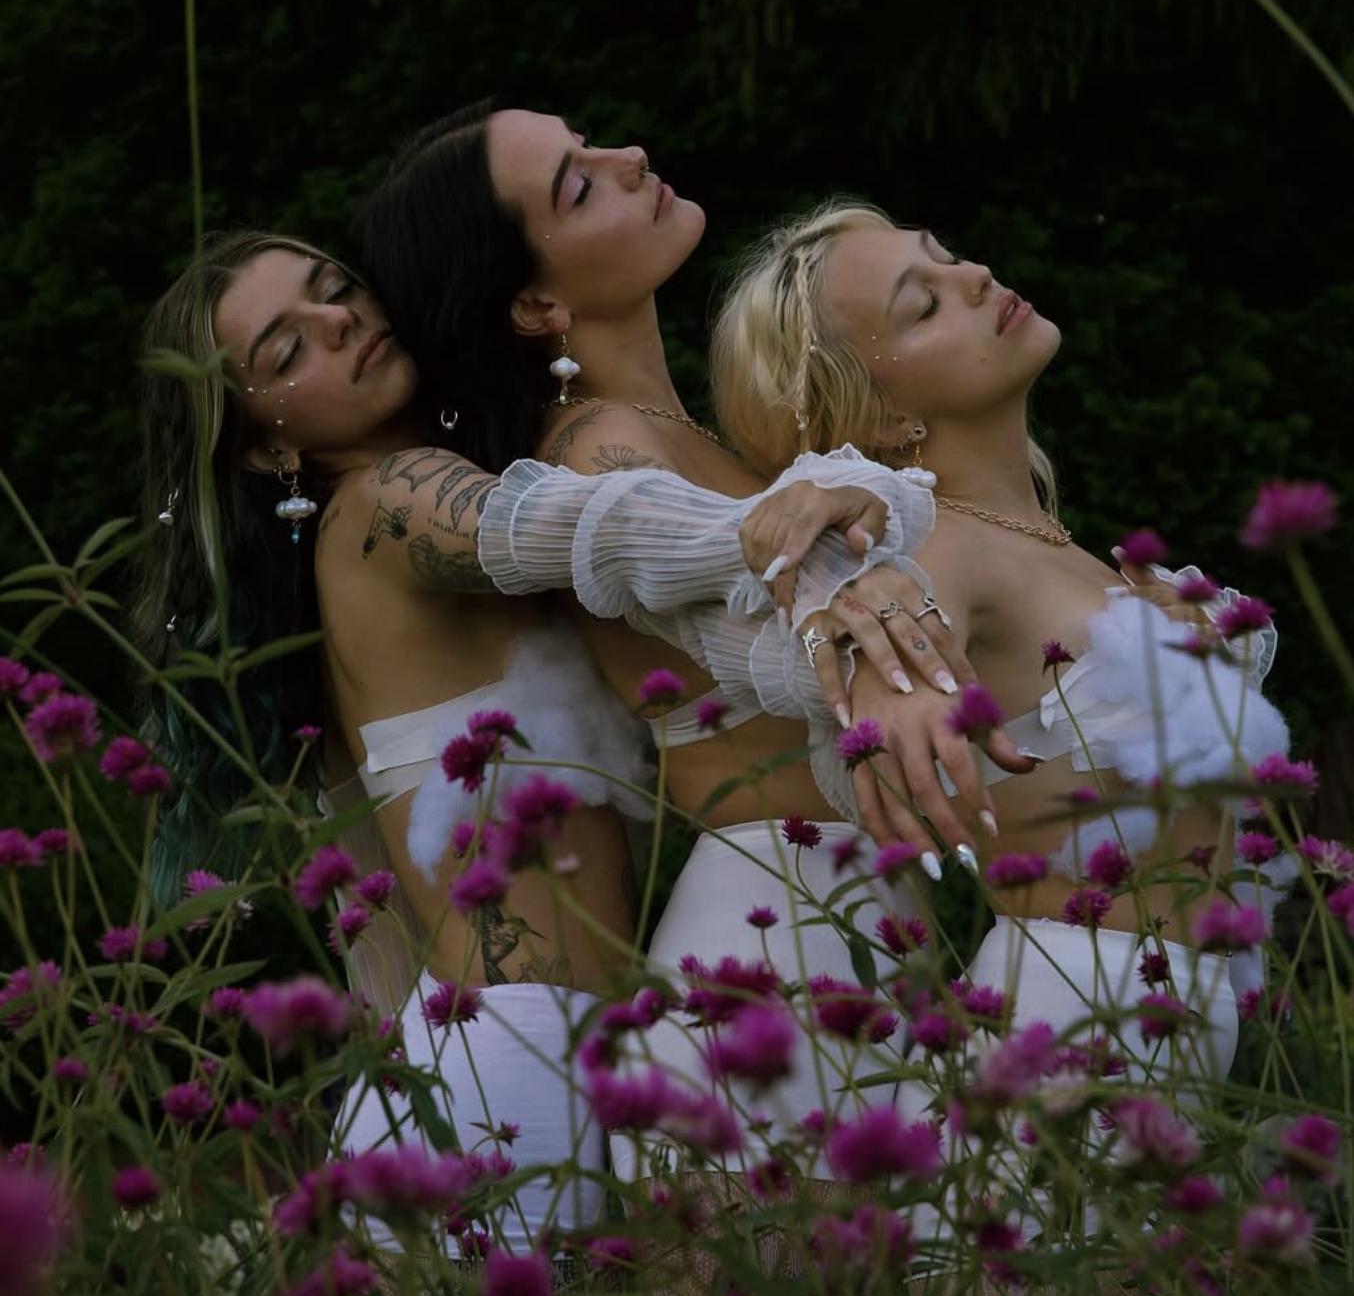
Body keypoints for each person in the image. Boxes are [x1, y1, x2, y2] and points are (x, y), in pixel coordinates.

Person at [132, 228, 968, 1264]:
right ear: (265, 443)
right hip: (511, 1068)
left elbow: (376, 906)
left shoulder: (358, 554)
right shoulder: (389, 500)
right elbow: (574, 528)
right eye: (285, 348)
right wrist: (785, 522)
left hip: (504, 1058)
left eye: (335, 286)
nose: (340, 320)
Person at [356, 105, 1045, 1194]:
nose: (630, 156)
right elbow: (796, 633)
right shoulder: (598, 455)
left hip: (836, 910)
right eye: (580, 185)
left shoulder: (688, 436)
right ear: (537, 303)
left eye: (593, 145)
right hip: (775, 930)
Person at [708, 198, 1293, 1271]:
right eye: (922, 300)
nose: (975, 273)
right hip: (1079, 1023)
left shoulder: (1072, 550)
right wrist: (875, 660)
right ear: (878, 415)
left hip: (1197, 1025)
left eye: (945, 256)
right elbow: (868, 586)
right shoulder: (951, 554)